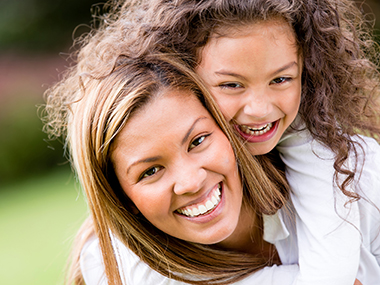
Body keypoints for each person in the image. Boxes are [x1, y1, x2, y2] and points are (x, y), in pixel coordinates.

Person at [100, 0, 380, 283]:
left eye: (282, 79)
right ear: (185, 81)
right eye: (232, 85)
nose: (259, 109)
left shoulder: (361, 177)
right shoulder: (120, 261)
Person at [44, 51, 298, 285]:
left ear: (225, 127)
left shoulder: (312, 173)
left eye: (197, 141)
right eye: (151, 171)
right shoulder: (124, 272)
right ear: (121, 197)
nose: (191, 182)